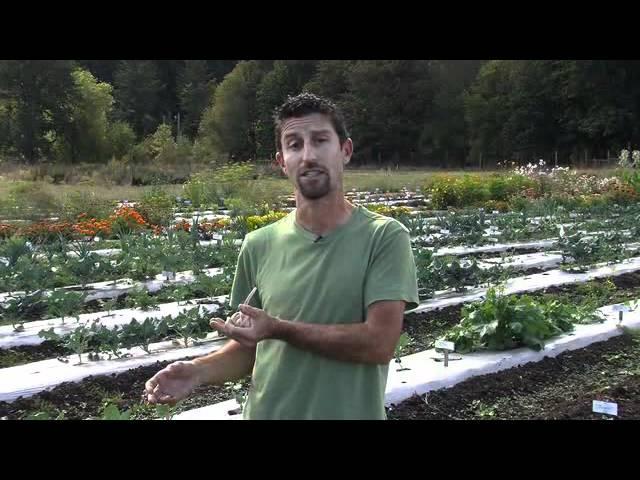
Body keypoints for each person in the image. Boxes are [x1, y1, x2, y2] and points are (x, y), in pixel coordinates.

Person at [145, 93, 419, 420]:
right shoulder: (259, 244)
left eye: (320, 140)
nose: (308, 155)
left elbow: (379, 343)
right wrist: (198, 371)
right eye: (294, 145)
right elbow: (252, 348)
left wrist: (278, 327)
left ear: (345, 150)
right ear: (281, 162)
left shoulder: (383, 237)